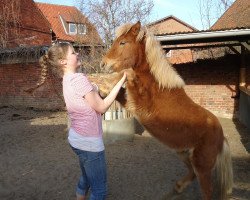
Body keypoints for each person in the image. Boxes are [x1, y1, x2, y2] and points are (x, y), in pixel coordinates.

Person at [38, 43, 127, 200]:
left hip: (77, 140)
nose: (77, 53)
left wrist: (94, 87)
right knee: (99, 190)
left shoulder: (67, 79)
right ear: (62, 62)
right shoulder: (78, 79)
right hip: (89, 144)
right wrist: (120, 82)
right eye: (73, 52)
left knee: (87, 177)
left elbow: (88, 92)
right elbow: (102, 107)